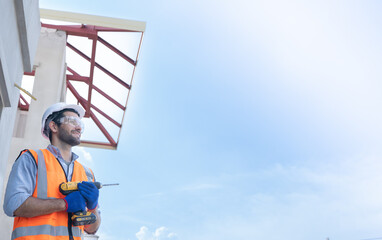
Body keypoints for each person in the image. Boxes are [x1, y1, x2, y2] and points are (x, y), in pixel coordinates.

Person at [3, 102, 101, 240]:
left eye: (80, 124)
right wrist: (63, 204)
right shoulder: (32, 158)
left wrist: (93, 207)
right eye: (72, 121)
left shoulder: (87, 173)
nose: (79, 127)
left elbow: (91, 228)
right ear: (54, 126)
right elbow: (12, 204)